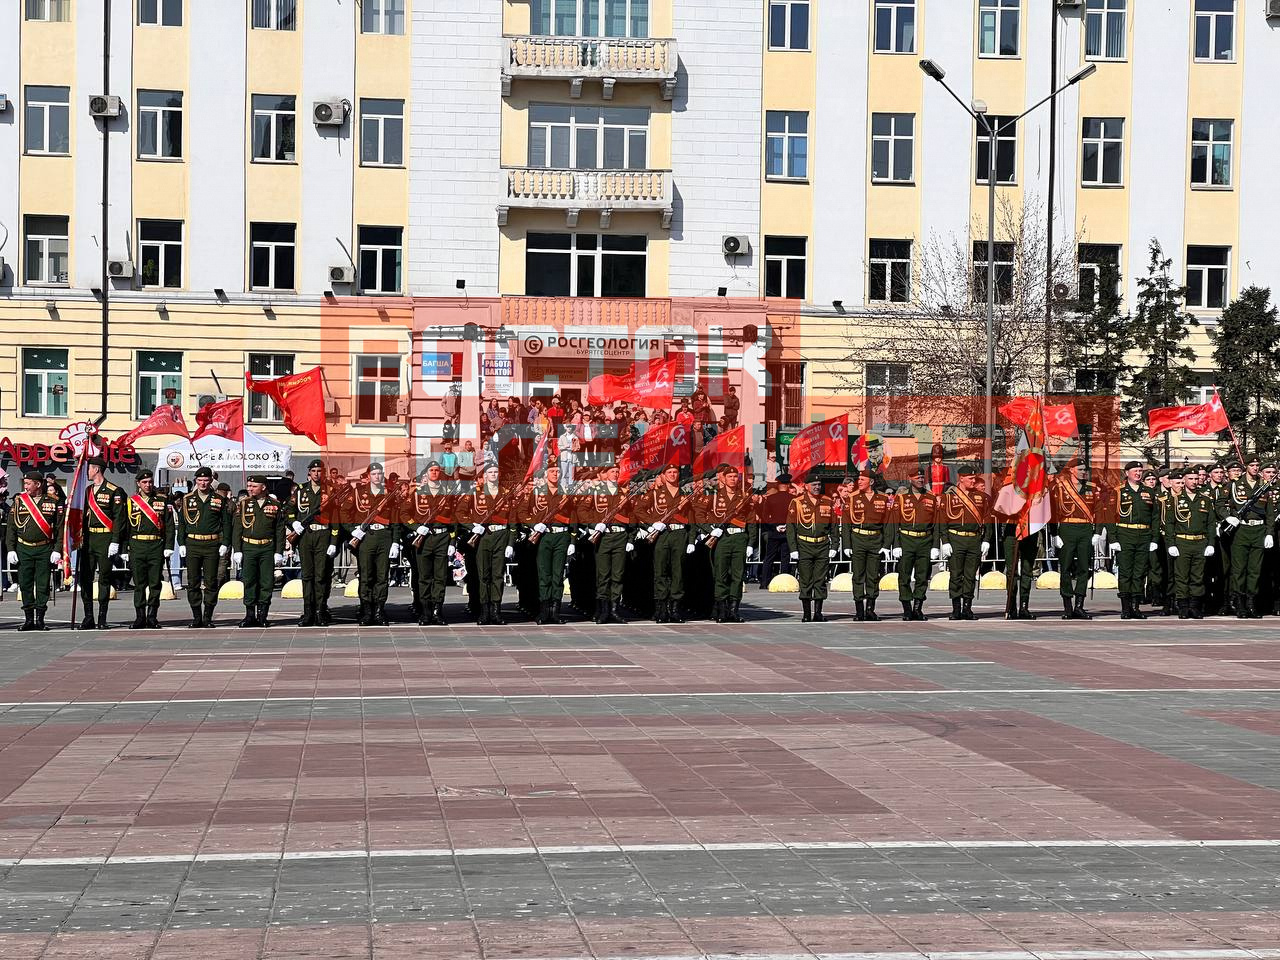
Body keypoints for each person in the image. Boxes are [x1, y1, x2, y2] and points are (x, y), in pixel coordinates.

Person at [5, 470, 65, 631]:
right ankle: (28, 619)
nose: (25, 486)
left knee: (43, 584)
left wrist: (57, 549)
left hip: (44, 548)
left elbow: (60, 529)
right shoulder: (19, 501)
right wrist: (11, 549)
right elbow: (11, 528)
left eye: (28, 483)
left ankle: (40, 619)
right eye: (24, 483)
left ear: (38, 484)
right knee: (25, 583)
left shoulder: (53, 502)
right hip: (23, 548)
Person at [695, 463, 756, 623]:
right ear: (724, 478)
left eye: (735, 476)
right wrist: (710, 530)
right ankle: (721, 611)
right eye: (730, 476)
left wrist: (751, 543)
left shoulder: (744, 497)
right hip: (722, 539)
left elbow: (751, 521)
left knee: (737, 576)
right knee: (721, 575)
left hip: (740, 539)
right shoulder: (714, 495)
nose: (733, 479)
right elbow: (699, 515)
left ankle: (734, 611)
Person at [285, 458, 342, 626]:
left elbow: (335, 518)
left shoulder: (331, 491)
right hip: (305, 537)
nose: (317, 474)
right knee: (307, 576)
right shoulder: (300, 491)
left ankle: (321, 611)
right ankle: (308, 612)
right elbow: (288, 510)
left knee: (321, 576)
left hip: (323, 536)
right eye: (314, 471)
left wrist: (334, 541)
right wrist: (293, 522)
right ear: (309, 473)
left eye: (320, 471)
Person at [576, 463, 634, 624]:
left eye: (617, 471)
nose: (615, 474)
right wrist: (594, 525)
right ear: (605, 474)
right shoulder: (595, 491)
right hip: (604, 537)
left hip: (620, 536)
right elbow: (582, 510)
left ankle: (615, 610)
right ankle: (603, 610)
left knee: (618, 574)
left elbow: (632, 517)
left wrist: (630, 539)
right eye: (612, 471)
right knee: (603, 575)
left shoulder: (623, 493)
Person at [459, 462, 516, 625]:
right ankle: (484, 612)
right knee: (483, 575)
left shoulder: (505, 494)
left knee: (497, 576)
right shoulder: (475, 493)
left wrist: (510, 543)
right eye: (490, 472)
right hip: (483, 537)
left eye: (495, 472)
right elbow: (459, 512)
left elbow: (512, 519)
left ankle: (496, 612)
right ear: (484, 476)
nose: (493, 474)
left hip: (501, 535)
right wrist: (472, 526)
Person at [176, 466, 232, 628]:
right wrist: (181, 543)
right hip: (193, 544)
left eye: (206, 480)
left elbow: (226, 524)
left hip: (212, 544)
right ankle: (196, 617)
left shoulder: (219, 499)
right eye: (200, 480)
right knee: (192, 582)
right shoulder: (187, 499)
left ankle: (207, 617)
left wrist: (225, 543)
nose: (203, 483)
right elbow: (182, 524)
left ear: (211, 481)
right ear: (195, 481)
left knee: (211, 582)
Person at [1222, 453, 1276, 619]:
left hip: (1258, 531)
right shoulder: (1234, 485)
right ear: (1246, 466)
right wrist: (1227, 516)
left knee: (1255, 570)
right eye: (1252, 465)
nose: (1255, 468)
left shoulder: (1264, 486)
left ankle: (1251, 603)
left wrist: (1269, 533)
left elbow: (1269, 514)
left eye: (1257, 465)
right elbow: (1220, 504)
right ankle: (1240, 604)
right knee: (1239, 570)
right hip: (1241, 531)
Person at [402, 460, 456, 626]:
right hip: (424, 539)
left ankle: (437, 612)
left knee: (440, 577)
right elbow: (404, 513)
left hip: (441, 538)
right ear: (426, 473)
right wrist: (416, 528)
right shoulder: (417, 493)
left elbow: (453, 518)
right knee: (424, 577)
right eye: (431, 470)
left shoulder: (447, 493)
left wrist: (452, 541)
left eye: (437, 470)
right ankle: (425, 613)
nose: (434, 472)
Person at [521, 463, 575, 624]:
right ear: (545, 474)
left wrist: (572, 539)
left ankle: (555, 613)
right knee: (544, 574)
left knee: (557, 575)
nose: (555, 474)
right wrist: (533, 525)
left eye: (558, 471)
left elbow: (573, 516)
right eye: (552, 471)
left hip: (561, 537)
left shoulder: (565, 493)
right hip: (544, 537)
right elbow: (522, 512)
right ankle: (544, 612)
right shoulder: (536, 492)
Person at [1048, 458, 1103, 620]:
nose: (1083, 472)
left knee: (1084, 568)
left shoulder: (1092, 488)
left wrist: (1097, 532)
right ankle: (1067, 606)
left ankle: (1079, 605)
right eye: (1080, 469)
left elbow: (1099, 511)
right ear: (1071, 470)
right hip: (1067, 528)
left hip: (1085, 529)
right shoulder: (1060, 488)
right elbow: (1053, 511)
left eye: (1085, 469)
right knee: (1065, 567)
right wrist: (1054, 534)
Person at [938, 462, 993, 621]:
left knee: (970, 575)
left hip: (974, 539)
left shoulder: (981, 497)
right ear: (961, 479)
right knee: (956, 575)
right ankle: (956, 609)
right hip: (955, 538)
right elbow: (942, 520)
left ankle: (967, 608)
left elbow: (987, 519)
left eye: (974, 478)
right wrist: (945, 541)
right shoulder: (949, 496)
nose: (973, 481)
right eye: (970, 478)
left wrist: (986, 540)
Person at [120, 469, 174, 629]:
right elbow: (125, 527)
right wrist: (124, 549)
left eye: (150, 482)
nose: (148, 485)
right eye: (144, 482)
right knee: (139, 584)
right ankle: (139, 617)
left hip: (156, 545)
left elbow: (169, 526)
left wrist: (169, 546)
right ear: (138, 484)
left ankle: (152, 616)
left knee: (155, 583)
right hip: (137, 545)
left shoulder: (162, 501)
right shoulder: (131, 502)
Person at [638, 464, 692, 622]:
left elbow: (692, 518)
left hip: (679, 534)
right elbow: (639, 510)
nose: (673, 475)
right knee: (661, 571)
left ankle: (674, 609)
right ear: (663, 475)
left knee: (678, 571)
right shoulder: (655, 493)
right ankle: (661, 609)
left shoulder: (685, 494)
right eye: (669, 472)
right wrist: (652, 523)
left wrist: (691, 539)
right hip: (662, 535)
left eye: (675, 472)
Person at [1106, 460, 1159, 620]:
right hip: (1125, 534)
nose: (1138, 473)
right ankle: (1125, 608)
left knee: (1139, 573)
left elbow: (1155, 517)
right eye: (1135, 470)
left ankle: (1136, 607)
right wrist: (1113, 538)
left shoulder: (1149, 492)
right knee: (1125, 572)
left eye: (1140, 471)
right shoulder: (1118, 491)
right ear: (1127, 473)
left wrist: (1154, 538)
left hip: (1143, 535)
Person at [79, 457, 127, 630]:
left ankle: (102, 617)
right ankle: (88, 616)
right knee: (85, 578)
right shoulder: (86, 491)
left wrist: (116, 542)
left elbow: (119, 518)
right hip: (88, 539)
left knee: (104, 578)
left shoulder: (115, 491)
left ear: (97, 469)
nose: (88, 472)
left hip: (105, 538)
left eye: (90, 468)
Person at [1162, 468, 1216, 619]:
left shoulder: (1205, 500)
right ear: (1184, 480)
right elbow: (1170, 524)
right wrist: (1171, 544)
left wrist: (1211, 543)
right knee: (1181, 576)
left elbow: (1211, 523)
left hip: (1200, 542)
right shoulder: (1175, 500)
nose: (1193, 481)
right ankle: (1183, 607)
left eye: (1195, 478)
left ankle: (1195, 606)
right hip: (1182, 541)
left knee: (1198, 576)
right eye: (1190, 479)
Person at [347, 462, 397, 626]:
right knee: (366, 576)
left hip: (384, 537)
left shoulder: (389, 494)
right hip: (366, 537)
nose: (377, 476)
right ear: (368, 476)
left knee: (382, 577)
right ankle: (367, 611)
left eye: (380, 474)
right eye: (374, 474)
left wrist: (396, 542)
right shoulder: (358, 493)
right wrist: (352, 530)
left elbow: (396, 519)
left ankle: (379, 611)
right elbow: (344, 512)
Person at [232, 475, 285, 628]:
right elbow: (237, 528)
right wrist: (237, 550)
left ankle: (263, 615)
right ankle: (249, 615)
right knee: (249, 581)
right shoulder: (243, 504)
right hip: (249, 547)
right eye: (249, 485)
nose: (250, 488)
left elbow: (279, 529)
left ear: (263, 487)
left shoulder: (275, 505)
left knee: (266, 582)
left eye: (253, 486)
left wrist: (278, 551)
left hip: (267, 548)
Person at [890, 461, 939, 621]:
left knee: (922, 575)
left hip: (925, 540)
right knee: (904, 576)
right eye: (916, 477)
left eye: (921, 477)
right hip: (906, 539)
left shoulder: (931, 498)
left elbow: (936, 524)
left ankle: (918, 608)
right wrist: (896, 545)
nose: (920, 479)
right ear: (910, 479)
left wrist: (935, 545)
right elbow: (894, 522)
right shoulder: (902, 498)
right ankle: (906, 608)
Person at [839, 469, 891, 622]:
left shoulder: (882, 498)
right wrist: (847, 544)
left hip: (875, 540)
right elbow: (847, 523)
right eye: (859, 479)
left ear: (872, 482)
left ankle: (870, 609)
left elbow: (887, 524)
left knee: (873, 576)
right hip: (858, 539)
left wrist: (886, 544)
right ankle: (859, 610)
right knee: (858, 576)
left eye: (862, 479)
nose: (859, 482)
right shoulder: (852, 498)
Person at [786, 476, 834, 623]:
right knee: (806, 580)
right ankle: (806, 613)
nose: (817, 487)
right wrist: (793, 548)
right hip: (804, 545)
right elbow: (790, 527)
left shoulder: (827, 501)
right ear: (806, 486)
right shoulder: (797, 502)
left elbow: (833, 527)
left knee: (820, 580)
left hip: (822, 545)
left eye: (819, 484)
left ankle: (818, 613)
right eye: (814, 484)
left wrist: (835, 546)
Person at [994, 468, 1039, 621]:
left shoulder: (1036, 488)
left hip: (1030, 529)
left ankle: (1024, 606)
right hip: (1011, 529)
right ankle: (1011, 606)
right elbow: (998, 511)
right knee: (1011, 571)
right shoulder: (1007, 488)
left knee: (1027, 569)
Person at [758, 474, 794, 589]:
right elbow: (795, 516)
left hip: (774, 532)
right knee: (785, 557)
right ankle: (785, 582)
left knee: (769, 558)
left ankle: (764, 582)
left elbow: (764, 516)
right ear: (788, 485)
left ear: (778, 485)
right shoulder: (793, 499)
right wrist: (787, 526)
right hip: (788, 531)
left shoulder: (771, 498)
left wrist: (775, 526)